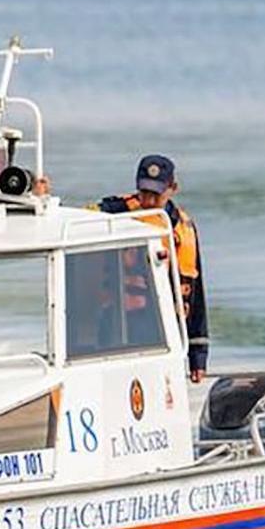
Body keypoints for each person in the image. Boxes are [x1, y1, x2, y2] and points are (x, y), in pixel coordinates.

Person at [97, 155, 208, 382]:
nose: (147, 201)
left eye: (155, 194)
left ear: (172, 188)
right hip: (120, 331)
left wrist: (198, 355)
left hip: (168, 333)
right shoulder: (114, 211)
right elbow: (68, 218)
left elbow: (195, 294)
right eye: (143, 192)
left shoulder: (185, 228)